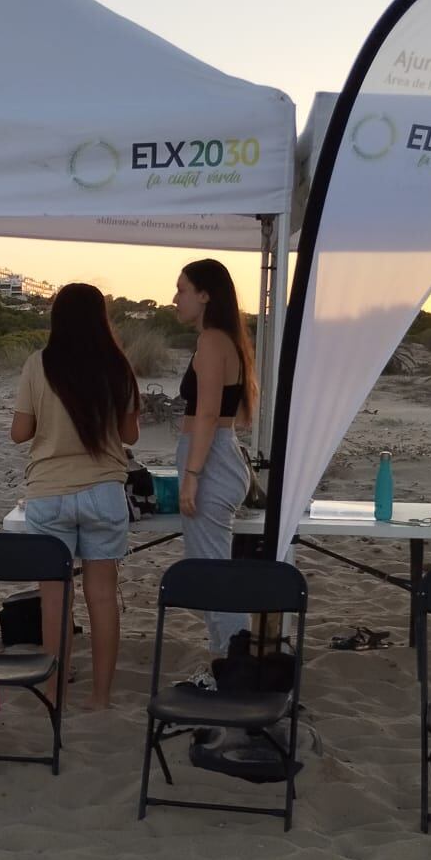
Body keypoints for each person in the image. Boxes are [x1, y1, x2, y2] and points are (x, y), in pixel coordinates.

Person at [11, 283, 139, 709]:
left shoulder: (37, 364)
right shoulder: (117, 367)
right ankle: (101, 697)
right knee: (102, 596)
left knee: (55, 599)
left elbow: (20, 433)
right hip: (104, 490)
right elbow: (129, 434)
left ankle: (54, 691)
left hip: (48, 493)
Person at [173, 258, 257, 664]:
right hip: (219, 455)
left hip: (209, 459)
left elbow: (206, 413)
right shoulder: (226, 339)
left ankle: (236, 667)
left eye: (182, 289)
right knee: (211, 572)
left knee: (213, 576)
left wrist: (191, 475)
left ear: (205, 295)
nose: (175, 299)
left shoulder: (211, 342)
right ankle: (227, 663)